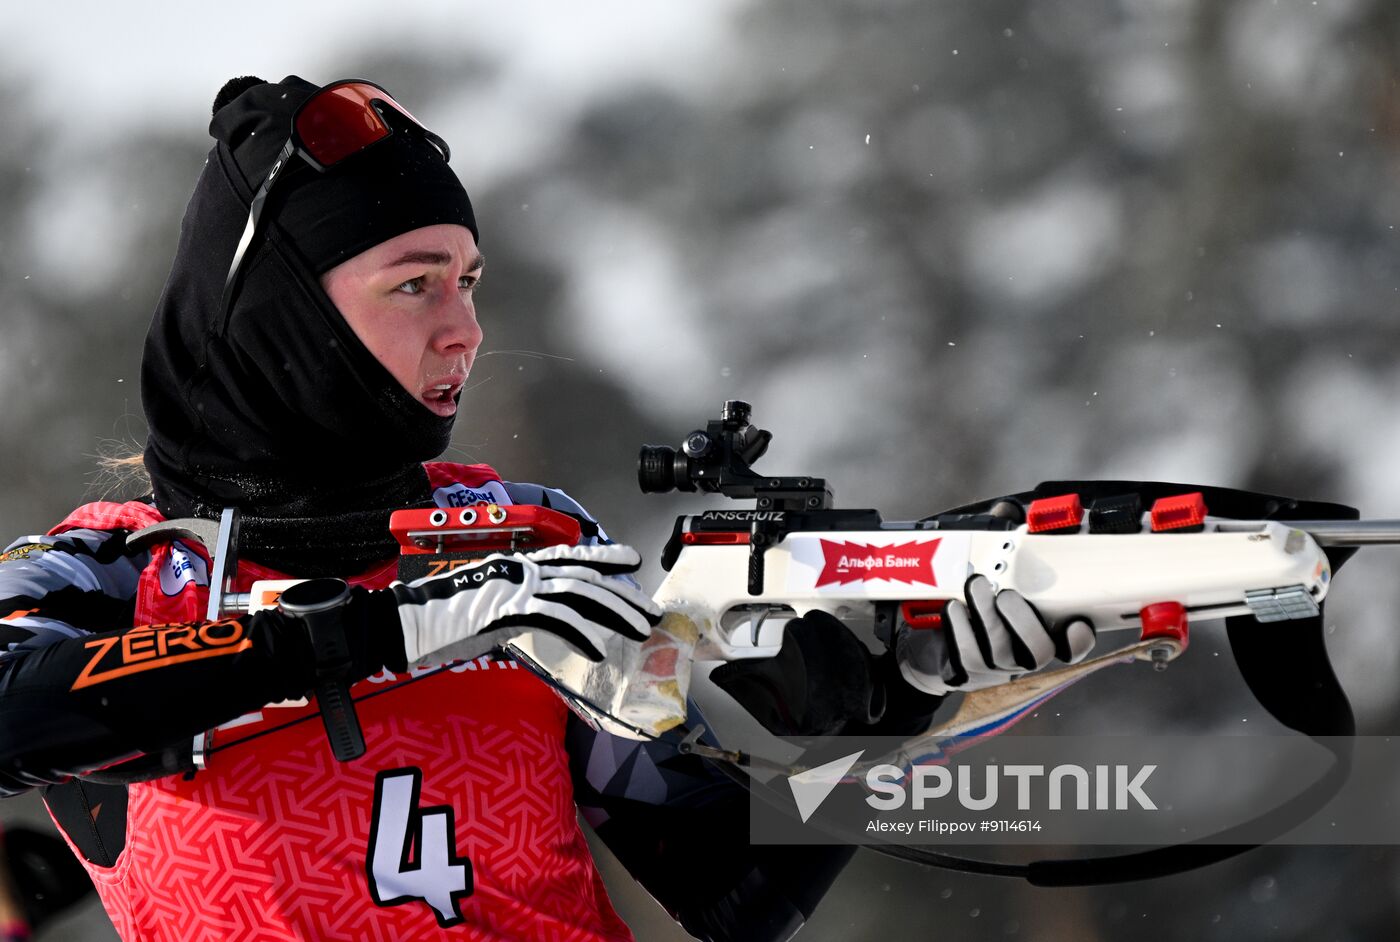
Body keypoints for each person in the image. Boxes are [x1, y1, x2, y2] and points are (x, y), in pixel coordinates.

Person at [0, 75, 1094, 941]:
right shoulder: (111, 577)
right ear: (281, 315)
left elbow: (730, 889)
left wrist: (893, 717)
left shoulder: (530, 537)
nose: (464, 329)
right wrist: (387, 631)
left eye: (469, 280)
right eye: (413, 283)